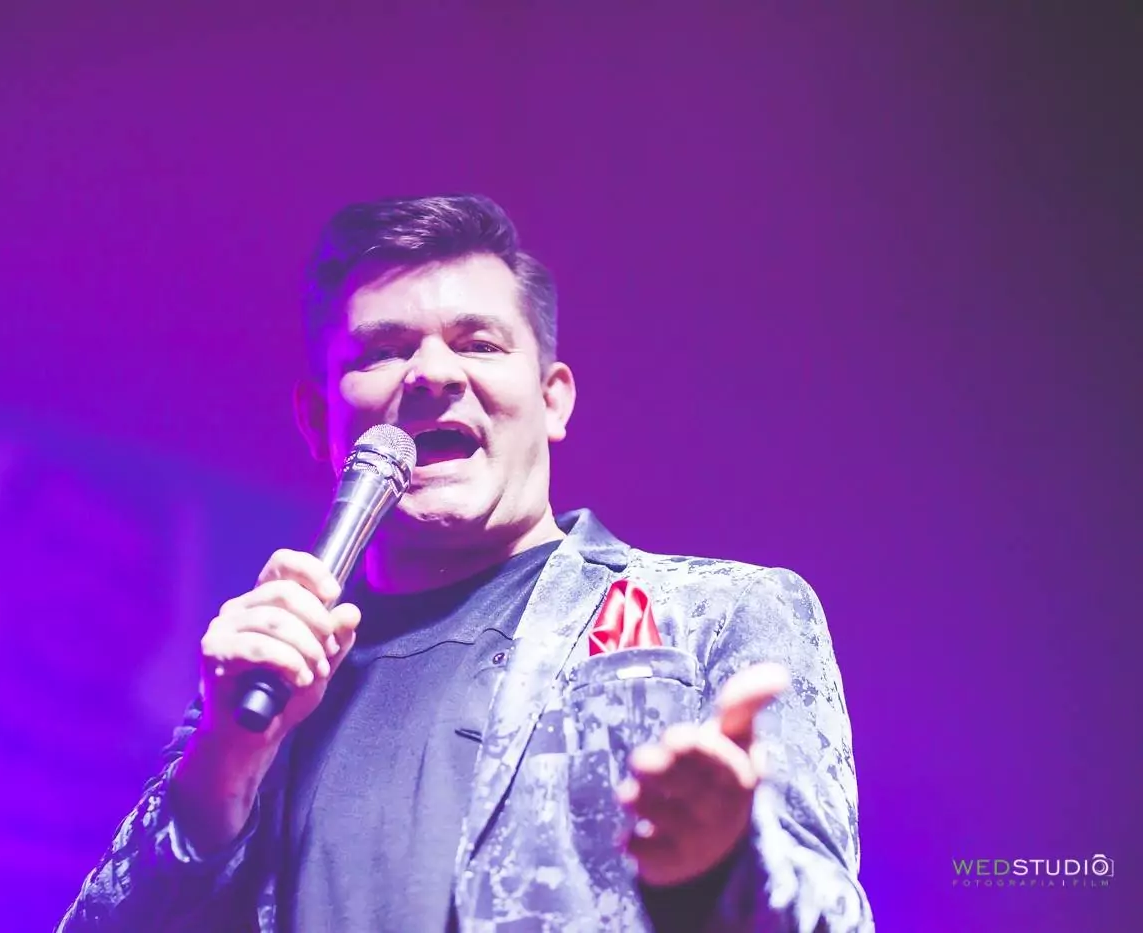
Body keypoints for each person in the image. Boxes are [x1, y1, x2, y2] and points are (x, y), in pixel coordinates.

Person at [57, 194, 873, 931]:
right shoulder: (265, 684)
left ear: (553, 398)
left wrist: (721, 872)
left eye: (478, 343)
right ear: (316, 419)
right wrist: (226, 761)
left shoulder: (716, 615)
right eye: (382, 351)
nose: (433, 374)